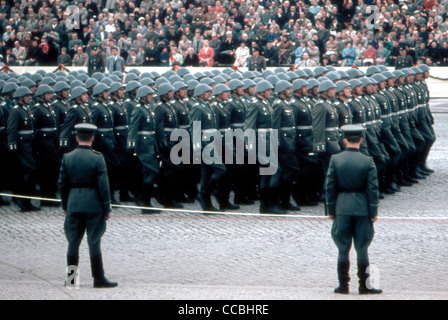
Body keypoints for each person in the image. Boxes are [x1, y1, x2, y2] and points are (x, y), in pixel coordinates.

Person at [326, 124, 382, 295]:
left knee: (343, 248)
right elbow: (373, 189)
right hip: (362, 207)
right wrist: (373, 211)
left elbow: (329, 186)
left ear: (344, 140)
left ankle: (343, 285)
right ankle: (364, 286)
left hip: (342, 207)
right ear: (361, 140)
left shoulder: (335, 159)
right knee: (362, 248)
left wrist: (330, 209)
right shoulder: (368, 160)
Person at [59, 123, 117, 289]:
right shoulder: (97, 157)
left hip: (74, 203)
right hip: (94, 204)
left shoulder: (67, 157)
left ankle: (71, 279)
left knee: (73, 242)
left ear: (77, 138)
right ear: (92, 138)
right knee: (94, 242)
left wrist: (65, 205)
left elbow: (62, 184)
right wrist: (107, 208)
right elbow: (104, 186)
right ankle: (98, 278)